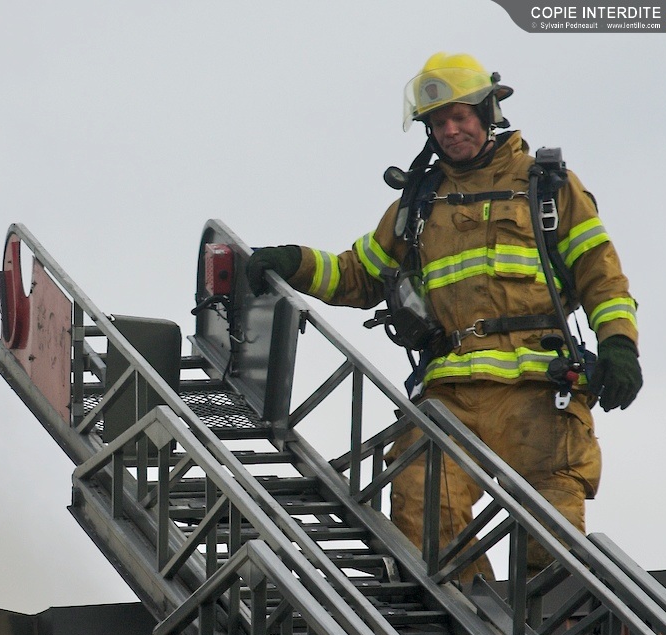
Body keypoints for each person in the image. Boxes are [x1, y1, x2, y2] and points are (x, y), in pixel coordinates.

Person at [245, 53, 642, 580]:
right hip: (449, 394)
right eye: (438, 122)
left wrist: (619, 345)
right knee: (421, 510)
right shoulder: (418, 204)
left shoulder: (547, 188)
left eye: (459, 116)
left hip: (539, 389)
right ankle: (469, 616)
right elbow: (358, 274)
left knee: (551, 538)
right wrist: (295, 262)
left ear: (487, 113)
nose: (450, 130)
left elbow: (601, 276)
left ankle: (547, 626)